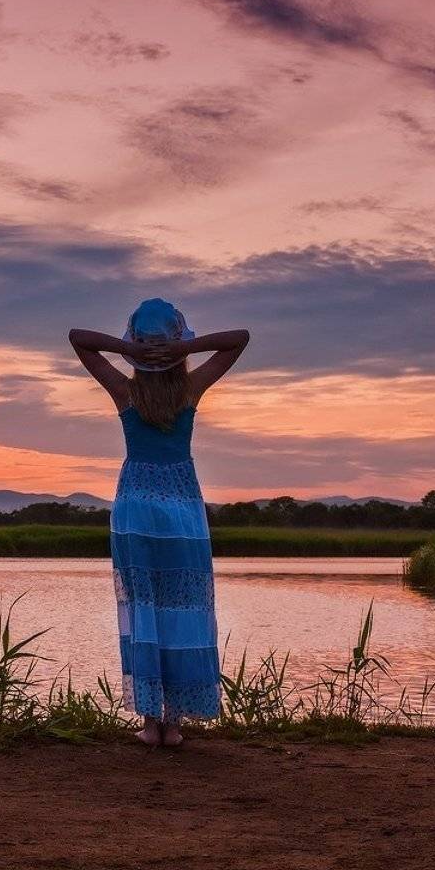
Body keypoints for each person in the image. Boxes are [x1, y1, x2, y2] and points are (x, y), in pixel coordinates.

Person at [67, 299, 249, 747]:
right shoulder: (190, 389)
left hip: (136, 508)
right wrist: (181, 348)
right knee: (184, 610)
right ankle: (175, 725)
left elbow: (80, 340)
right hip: (182, 507)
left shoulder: (125, 393)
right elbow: (237, 340)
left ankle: (152, 725)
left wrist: (130, 348)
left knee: (144, 608)